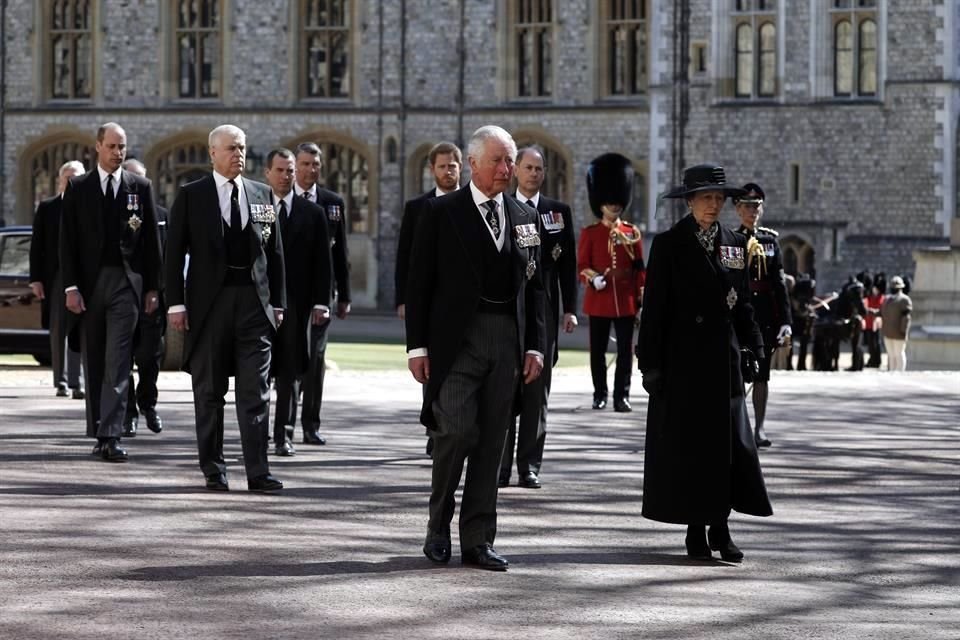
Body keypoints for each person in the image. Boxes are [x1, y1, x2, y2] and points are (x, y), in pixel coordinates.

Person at [406, 125, 545, 571]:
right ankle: (438, 526)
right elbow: (420, 283)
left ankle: (479, 540)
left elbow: (536, 287)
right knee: (458, 431)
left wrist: (536, 346)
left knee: (492, 444)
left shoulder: (525, 217)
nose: (507, 170)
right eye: (499, 161)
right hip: (456, 342)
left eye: (510, 161)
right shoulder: (441, 213)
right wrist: (417, 348)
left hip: (507, 339)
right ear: (473, 164)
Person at [638, 163, 771, 562]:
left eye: (718, 199)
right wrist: (651, 365)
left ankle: (721, 526)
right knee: (692, 450)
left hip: (724, 361)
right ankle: (697, 529)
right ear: (690, 201)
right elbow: (655, 309)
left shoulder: (733, 242)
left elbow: (743, 301)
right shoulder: (669, 244)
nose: (713, 205)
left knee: (728, 450)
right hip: (684, 363)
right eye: (706, 198)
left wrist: (755, 347)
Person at [165, 124, 286, 493]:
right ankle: (214, 469)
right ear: (212, 153)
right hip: (208, 306)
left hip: (253, 304)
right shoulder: (192, 195)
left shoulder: (262, 194)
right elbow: (173, 254)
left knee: (256, 390)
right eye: (231, 148)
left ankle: (258, 471)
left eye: (243, 148)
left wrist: (277, 304)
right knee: (210, 391)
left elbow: (275, 253)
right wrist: (175, 304)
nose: (239, 155)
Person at [60, 123, 163, 462]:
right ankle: (98, 429)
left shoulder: (140, 186)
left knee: (119, 361)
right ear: (98, 147)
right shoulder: (78, 187)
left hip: (126, 284)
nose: (119, 153)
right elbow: (68, 242)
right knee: (95, 360)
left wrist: (152, 287)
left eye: (123, 147)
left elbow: (151, 242)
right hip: (90, 286)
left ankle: (112, 433)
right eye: (113, 146)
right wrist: (71, 287)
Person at [499, 145, 577, 489]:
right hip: (507, 309)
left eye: (539, 169)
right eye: (528, 167)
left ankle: (528, 465)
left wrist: (570, 309)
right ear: (516, 170)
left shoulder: (557, 213)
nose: (533, 173)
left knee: (536, 392)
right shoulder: (502, 207)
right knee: (502, 391)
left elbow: (568, 266)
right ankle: (499, 466)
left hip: (543, 313)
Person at [394, 141, 463, 457]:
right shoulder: (417, 208)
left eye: (452, 165)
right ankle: (435, 428)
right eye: (442, 166)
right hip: (431, 305)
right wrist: (403, 299)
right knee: (431, 369)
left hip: (464, 303)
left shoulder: (472, 205)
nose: (448, 171)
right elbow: (405, 257)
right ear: (431, 170)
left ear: (460, 167)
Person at [263, 148, 332, 456]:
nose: (286, 176)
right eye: (279, 170)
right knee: (260, 372)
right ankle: (258, 430)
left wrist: (321, 302)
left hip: (297, 305)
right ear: (267, 173)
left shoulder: (313, 213)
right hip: (262, 304)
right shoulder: (259, 208)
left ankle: (284, 434)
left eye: (289, 171)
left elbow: (323, 263)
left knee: (290, 372)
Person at [577, 153, 645, 412]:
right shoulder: (590, 233)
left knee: (626, 354)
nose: (614, 205)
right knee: (597, 352)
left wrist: (640, 298)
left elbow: (639, 268)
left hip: (626, 300)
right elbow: (582, 266)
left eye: (617, 201)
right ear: (600, 203)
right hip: (599, 299)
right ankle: (600, 394)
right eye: (609, 201)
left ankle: (622, 396)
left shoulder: (632, 232)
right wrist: (594, 280)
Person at [294, 142, 351, 446]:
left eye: (315, 164)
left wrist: (344, 295)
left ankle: (310, 425)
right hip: (289, 293)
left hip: (321, 293)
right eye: (304, 164)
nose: (310, 169)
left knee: (316, 361)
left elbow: (340, 252)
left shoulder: (332, 202)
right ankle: (284, 426)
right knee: (290, 359)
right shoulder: (281, 199)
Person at [732, 183, 792, 448]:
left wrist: (786, 322)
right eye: (746, 206)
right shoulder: (731, 240)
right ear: (737, 209)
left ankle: (759, 428)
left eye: (756, 206)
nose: (752, 211)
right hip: (738, 313)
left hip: (764, 316)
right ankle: (737, 427)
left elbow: (779, 285)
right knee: (734, 372)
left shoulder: (770, 241)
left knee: (762, 374)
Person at [29, 160, 86, 400]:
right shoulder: (48, 207)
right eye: (68, 178)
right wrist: (36, 279)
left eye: (77, 178)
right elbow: (37, 247)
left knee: (81, 330)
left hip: (84, 277)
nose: (71, 182)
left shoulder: (91, 206)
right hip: (57, 277)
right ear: (60, 181)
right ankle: (61, 381)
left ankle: (78, 382)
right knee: (59, 330)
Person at [121, 158, 167, 437]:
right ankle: (129, 413)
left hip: (152, 297)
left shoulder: (162, 214)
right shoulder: (115, 214)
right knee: (123, 358)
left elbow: (169, 256)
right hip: (125, 295)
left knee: (150, 357)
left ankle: (147, 403)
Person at [881, 275, 912, 371]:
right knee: (891, 355)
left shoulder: (904, 300)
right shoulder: (887, 299)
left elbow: (906, 317)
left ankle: (900, 372)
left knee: (899, 354)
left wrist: (903, 331)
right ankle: (891, 371)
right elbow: (882, 312)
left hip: (899, 333)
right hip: (888, 332)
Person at [863, 272, 885, 368]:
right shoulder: (870, 297)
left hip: (876, 323)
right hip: (869, 323)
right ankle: (872, 359)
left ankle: (876, 360)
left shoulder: (881, 298)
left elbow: (880, 309)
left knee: (876, 343)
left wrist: (871, 310)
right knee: (871, 344)